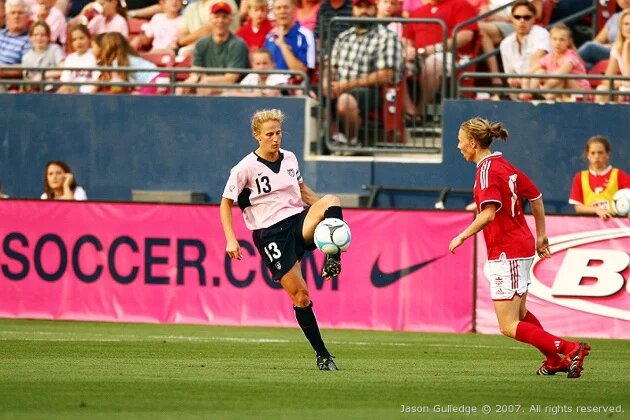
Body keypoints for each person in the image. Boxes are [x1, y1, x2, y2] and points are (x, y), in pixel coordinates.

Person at [449, 117, 591, 379]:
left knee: (507, 325)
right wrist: (541, 236)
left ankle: (570, 348)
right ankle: (553, 360)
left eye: (460, 141)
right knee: (521, 313)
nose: (458, 147)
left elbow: (489, 214)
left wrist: (461, 235)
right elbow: (535, 196)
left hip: (507, 251)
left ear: (472, 143)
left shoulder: (486, 171)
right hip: (520, 245)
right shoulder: (503, 165)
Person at [220, 109, 344, 371]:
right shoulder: (245, 168)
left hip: (297, 221)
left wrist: (328, 214)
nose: (275, 139)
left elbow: (301, 190)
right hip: (271, 235)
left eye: (278, 133)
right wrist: (231, 239)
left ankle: (333, 257)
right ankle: (322, 355)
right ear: (257, 136)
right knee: (301, 297)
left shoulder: (289, 158)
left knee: (332, 200)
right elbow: (225, 203)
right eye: (269, 134)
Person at [325, 0, 403, 146]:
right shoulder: (344, 37)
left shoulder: (387, 37)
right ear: (353, 10)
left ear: (375, 9)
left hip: (372, 90)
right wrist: (327, 81)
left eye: (368, 7)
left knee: (345, 101)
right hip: (341, 86)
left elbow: (386, 75)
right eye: (359, 7)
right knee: (315, 92)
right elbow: (331, 67)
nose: (363, 11)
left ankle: (352, 141)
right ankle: (335, 137)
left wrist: (345, 85)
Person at [402, 0, 478, 117]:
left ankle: (419, 111)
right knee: (395, 67)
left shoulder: (461, 5)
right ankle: (409, 111)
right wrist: (408, 49)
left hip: (449, 54)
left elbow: (466, 36)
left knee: (432, 65)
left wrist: (435, 48)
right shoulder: (418, 11)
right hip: (418, 55)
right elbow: (406, 37)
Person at [176, 1, 250, 96]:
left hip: (233, 89)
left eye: (224, 17)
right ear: (210, 20)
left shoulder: (238, 44)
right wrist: (189, 83)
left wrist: (205, 80)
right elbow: (195, 72)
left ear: (230, 20)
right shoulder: (202, 43)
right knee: (180, 88)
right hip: (206, 85)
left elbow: (230, 79)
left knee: (210, 91)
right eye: (216, 17)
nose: (220, 21)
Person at [478, 0, 543, 87]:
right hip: (491, 23)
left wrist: (501, 18)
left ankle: (496, 79)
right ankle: (495, 78)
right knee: (480, 32)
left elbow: (537, 13)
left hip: (516, 24)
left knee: (477, 28)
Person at [569, 135, 630, 220]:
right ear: (587, 155)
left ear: (607, 154)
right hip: (589, 227)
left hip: (614, 226)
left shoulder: (619, 175)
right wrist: (596, 210)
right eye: (593, 153)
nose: (596, 156)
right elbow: (578, 207)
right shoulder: (580, 177)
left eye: (600, 152)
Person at [499, 0, 550, 100]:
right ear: (512, 19)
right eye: (517, 17)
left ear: (534, 19)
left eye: (526, 17)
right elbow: (510, 75)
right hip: (520, 89)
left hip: (543, 88)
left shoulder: (541, 33)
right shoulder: (505, 44)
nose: (522, 21)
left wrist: (521, 80)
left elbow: (537, 60)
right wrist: (514, 81)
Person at [529, 23, 589, 101]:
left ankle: (546, 97)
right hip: (560, 91)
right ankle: (532, 93)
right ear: (550, 40)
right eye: (554, 39)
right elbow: (535, 67)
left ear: (569, 42)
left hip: (579, 92)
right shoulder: (550, 56)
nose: (558, 43)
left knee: (563, 77)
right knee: (540, 72)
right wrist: (524, 78)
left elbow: (559, 75)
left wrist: (545, 88)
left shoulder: (571, 56)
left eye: (562, 40)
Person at [97, 31, 163, 94]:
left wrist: (110, 93)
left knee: (137, 98)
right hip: (162, 78)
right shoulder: (128, 57)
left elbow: (117, 85)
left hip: (154, 81)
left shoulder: (117, 61)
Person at [264, 0, 316, 73]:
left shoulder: (306, 35)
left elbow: (302, 73)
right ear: (274, 12)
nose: (282, 11)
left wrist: (282, 45)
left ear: (294, 10)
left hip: (295, 83)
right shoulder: (270, 36)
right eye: (278, 8)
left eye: (286, 7)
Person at [578, 0, 630, 70]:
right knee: (588, 65)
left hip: (623, 50)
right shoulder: (614, 17)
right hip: (610, 50)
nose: (623, 0)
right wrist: (602, 45)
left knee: (590, 47)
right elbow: (599, 39)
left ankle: (564, 61)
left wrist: (612, 46)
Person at [595, 9, 630, 103]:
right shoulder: (617, 47)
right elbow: (607, 78)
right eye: (626, 24)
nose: (629, 27)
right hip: (626, 87)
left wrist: (626, 50)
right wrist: (620, 83)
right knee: (602, 90)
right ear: (621, 27)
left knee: (625, 91)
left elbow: (628, 75)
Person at [21, 20, 65, 92]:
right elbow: (28, 81)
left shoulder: (54, 49)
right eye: (35, 35)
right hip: (36, 91)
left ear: (48, 37)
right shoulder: (26, 57)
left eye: (43, 35)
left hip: (55, 89)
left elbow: (63, 69)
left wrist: (44, 75)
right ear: (30, 38)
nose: (39, 38)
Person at [57, 24, 100, 94]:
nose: (78, 42)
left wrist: (90, 95)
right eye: (74, 40)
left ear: (89, 39)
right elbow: (65, 83)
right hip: (72, 95)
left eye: (81, 38)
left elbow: (98, 81)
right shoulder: (70, 58)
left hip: (90, 96)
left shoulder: (94, 56)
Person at [0, 0, 32, 86]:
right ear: (7, 16)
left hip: (6, 83)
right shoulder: (1, 34)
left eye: (20, 13)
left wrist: (3, 71)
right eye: (13, 13)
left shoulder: (30, 40)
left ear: (28, 17)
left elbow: (26, 68)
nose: (16, 16)